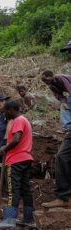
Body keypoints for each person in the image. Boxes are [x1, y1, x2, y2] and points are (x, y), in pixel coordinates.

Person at [0, 101, 35, 230]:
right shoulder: (25, 120)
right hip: (26, 158)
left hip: (15, 160)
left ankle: (9, 220)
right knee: (25, 189)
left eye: (6, 111)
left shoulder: (18, 120)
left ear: (11, 110)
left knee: (12, 189)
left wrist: (5, 148)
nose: (5, 114)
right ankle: (28, 219)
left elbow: (16, 139)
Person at [41, 71, 71, 208]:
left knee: (62, 157)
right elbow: (60, 97)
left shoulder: (59, 78)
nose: (46, 82)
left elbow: (69, 89)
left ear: (50, 76)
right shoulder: (52, 86)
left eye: (46, 79)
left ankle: (64, 197)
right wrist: (64, 102)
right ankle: (64, 197)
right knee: (62, 157)